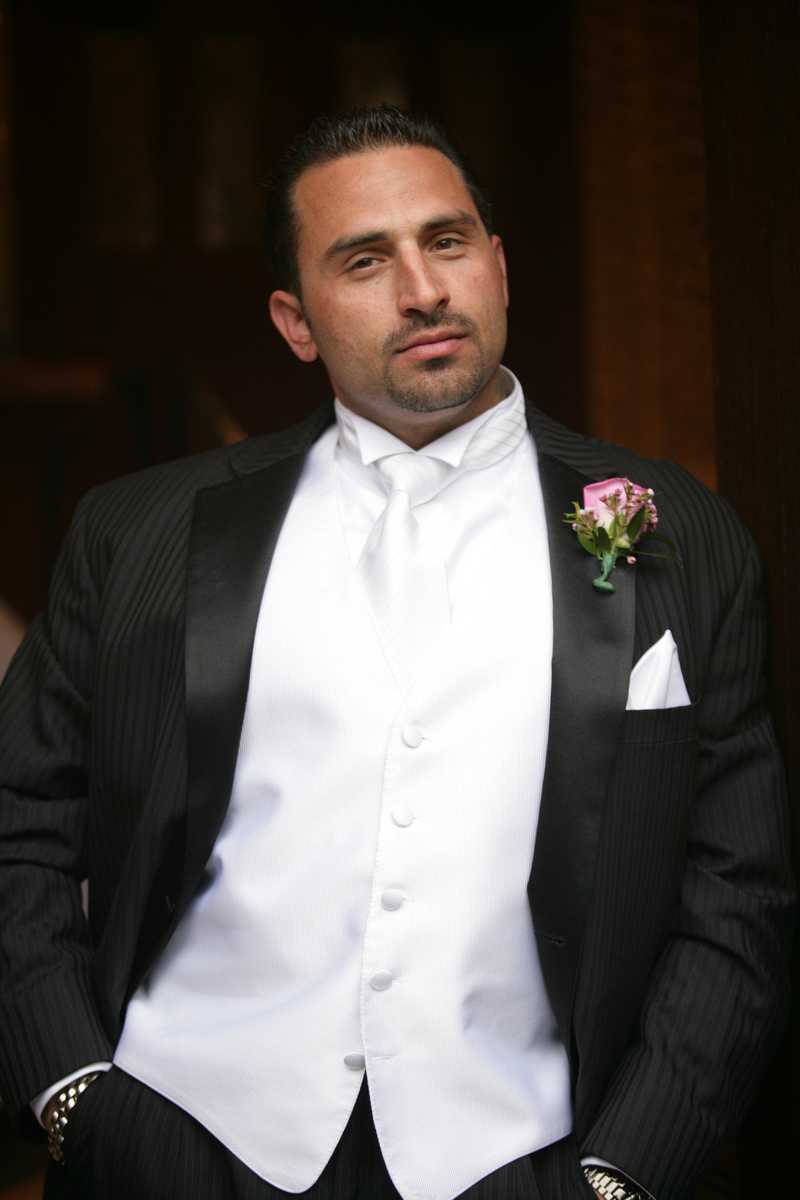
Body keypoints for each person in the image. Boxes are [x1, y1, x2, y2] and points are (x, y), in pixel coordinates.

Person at [0, 105, 793, 1200]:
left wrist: (622, 1171)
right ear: (295, 321)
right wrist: (72, 1090)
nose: (423, 289)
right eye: (364, 261)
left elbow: (735, 889)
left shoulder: (679, 534)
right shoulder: (139, 532)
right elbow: (20, 820)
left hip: (523, 1160)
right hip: (180, 1141)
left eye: (447, 242)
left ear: (498, 267)